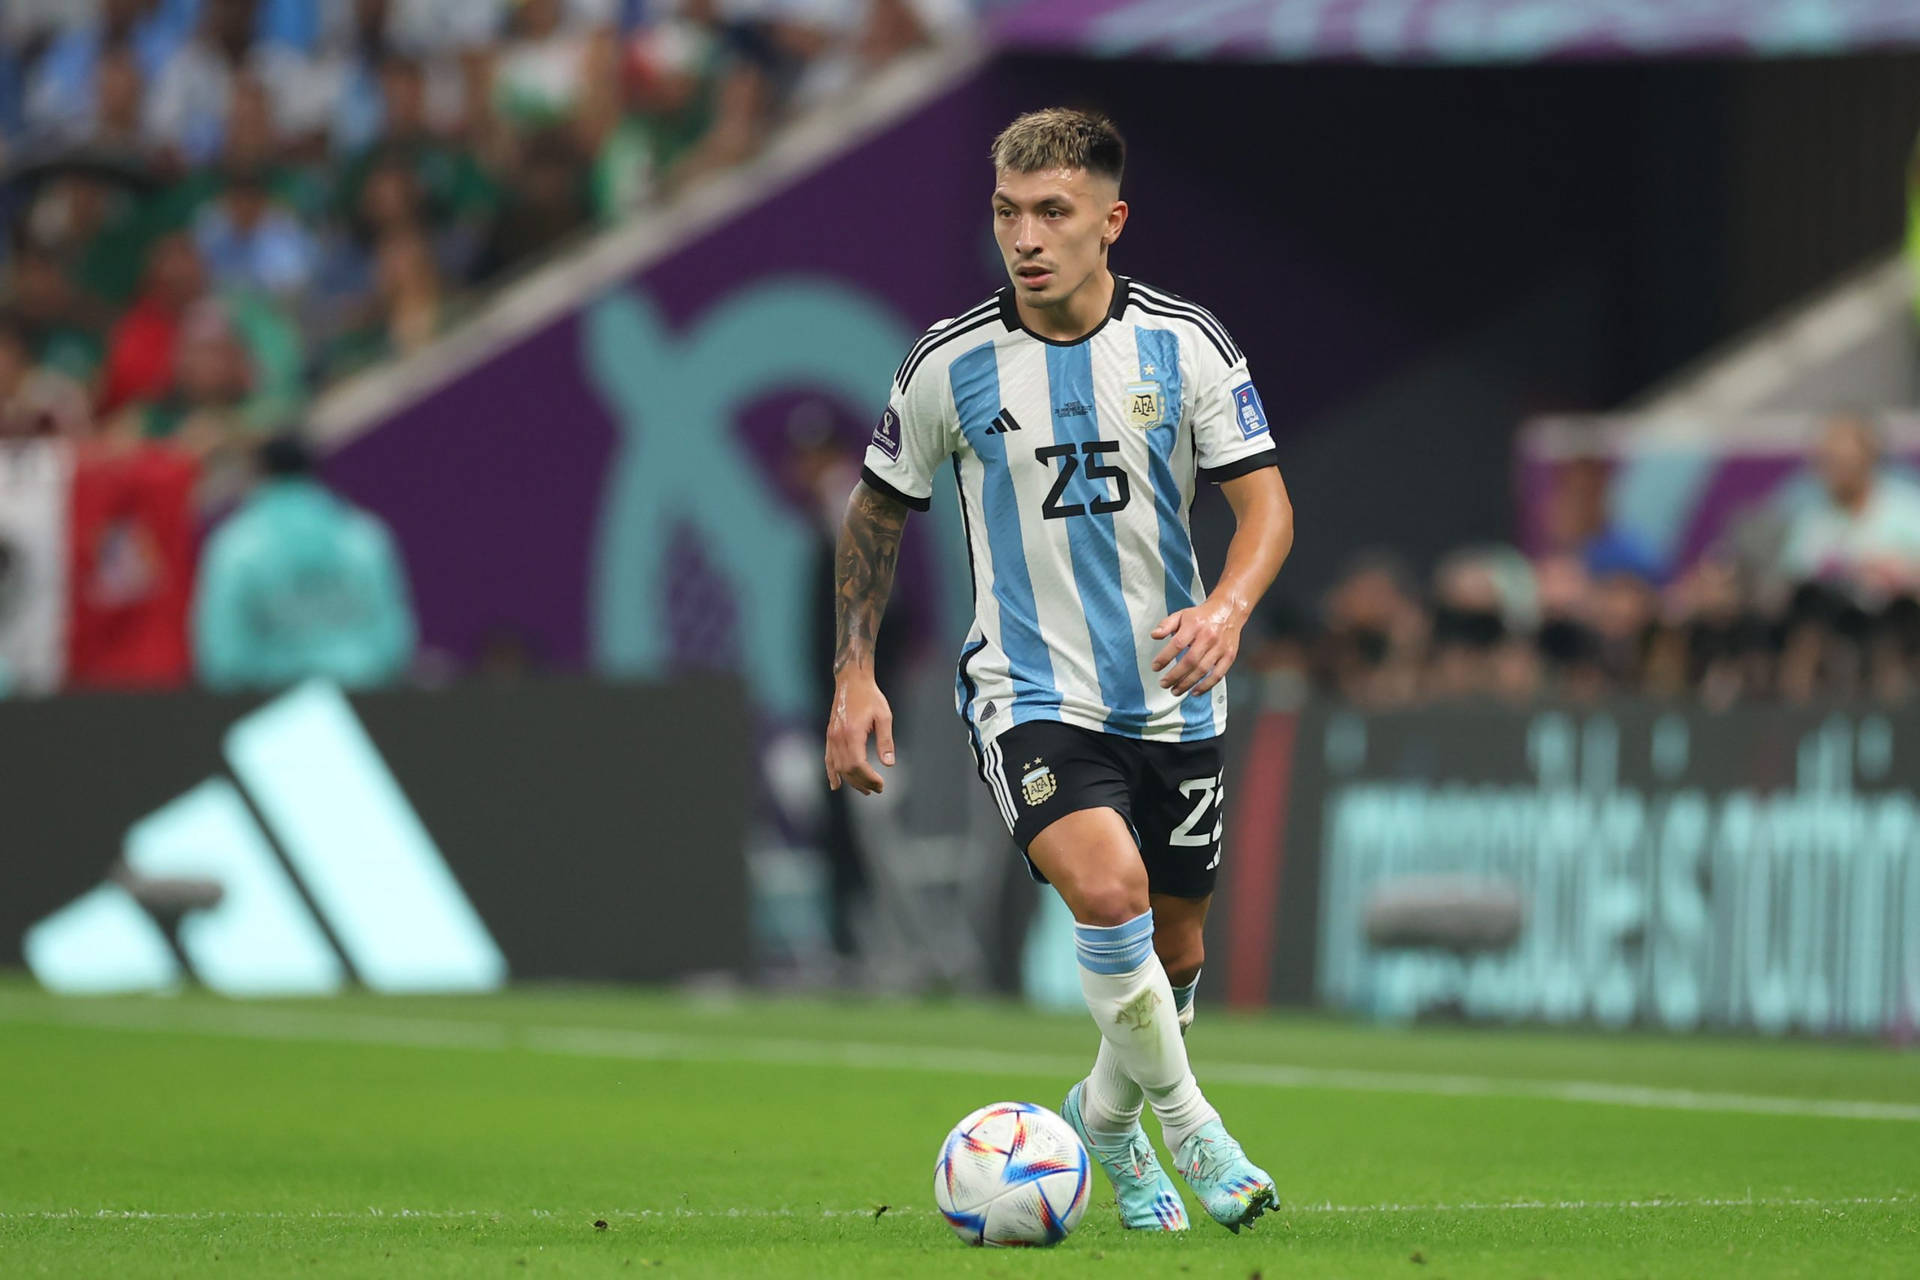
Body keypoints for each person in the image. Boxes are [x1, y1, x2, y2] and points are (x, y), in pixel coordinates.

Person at [823, 109, 1293, 1232]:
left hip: (1174, 693)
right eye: (1006, 213)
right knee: (1109, 889)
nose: (1024, 238)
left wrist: (1228, 607)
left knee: (1174, 948)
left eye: (1052, 213)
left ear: (1109, 223)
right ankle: (1195, 1132)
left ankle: (1107, 1115)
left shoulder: (1186, 344)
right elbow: (875, 512)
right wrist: (854, 672)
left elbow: (1265, 503)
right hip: (1029, 693)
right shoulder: (950, 363)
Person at [192, 433, 417, 690]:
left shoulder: (235, 545)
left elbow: (224, 650)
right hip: (360, 692)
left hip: (268, 703)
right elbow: (392, 637)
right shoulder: (362, 536)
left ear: (259, 473)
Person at [1778, 412, 1920, 604]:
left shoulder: (1909, 509)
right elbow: (1790, 579)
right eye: (1826, 460)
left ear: (1869, 456)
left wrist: (1902, 575)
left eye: (1843, 460)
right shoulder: (1805, 514)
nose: (1834, 470)